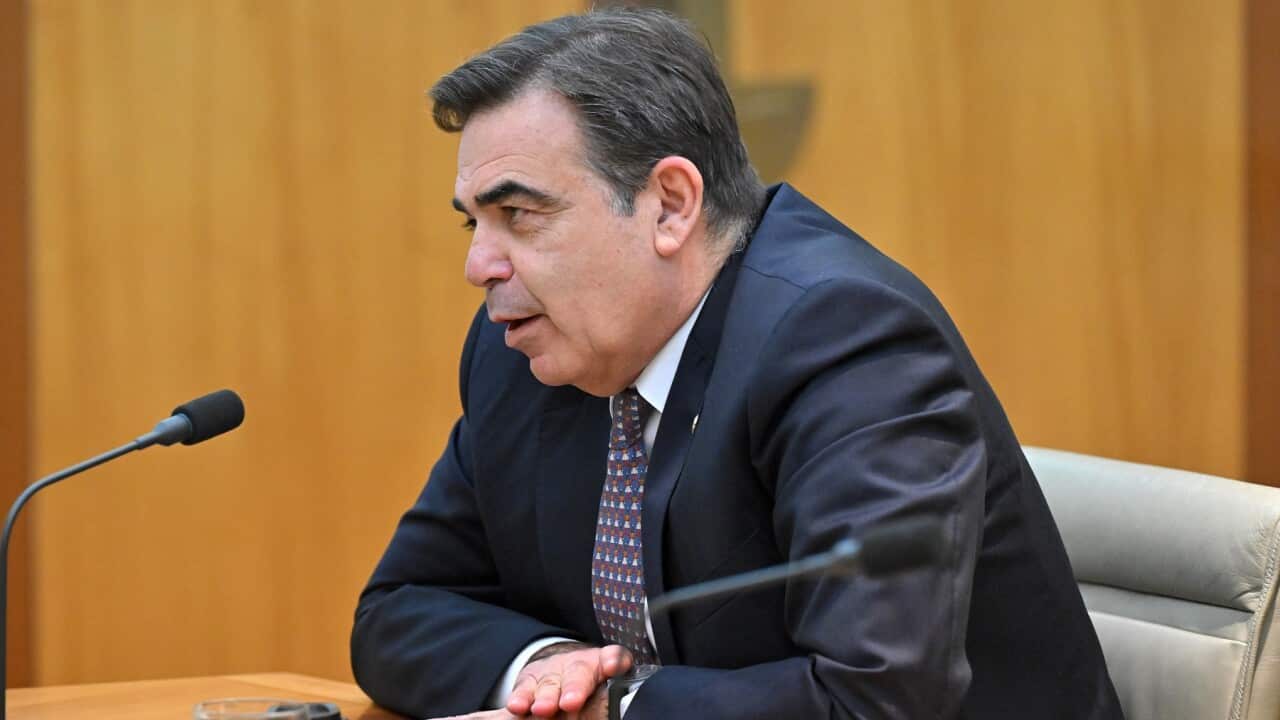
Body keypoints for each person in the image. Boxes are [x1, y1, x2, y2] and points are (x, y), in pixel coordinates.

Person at [350, 8, 1124, 720]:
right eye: (474, 224)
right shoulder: (522, 352)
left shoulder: (846, 342)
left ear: (670, 205)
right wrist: (547, 668)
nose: (481, 264)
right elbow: (400, 609)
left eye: (518, 214)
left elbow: (872, 698)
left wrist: (614, 707)